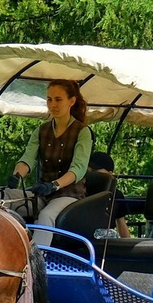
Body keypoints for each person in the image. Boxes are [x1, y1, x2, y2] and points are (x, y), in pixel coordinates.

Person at [12, 78, 94, 222]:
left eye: (58, 100)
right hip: (42, 194)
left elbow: (78, 169)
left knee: (46, 215)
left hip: (69, 195)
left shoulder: (83, 131)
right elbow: (28, 159)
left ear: (72, 101)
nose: (53, 105)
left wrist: (54, 185)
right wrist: (16, 176)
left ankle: (38, 239)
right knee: (3, 196)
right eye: (49, 99)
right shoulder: (41, 130)